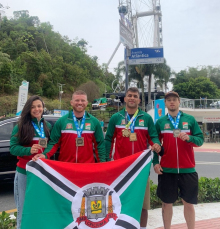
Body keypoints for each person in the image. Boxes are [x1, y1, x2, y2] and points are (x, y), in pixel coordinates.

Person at [105, 87, 161, 229]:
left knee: (142, 206)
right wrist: (105, 162)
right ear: (125, 99)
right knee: (119, 203)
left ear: (139, 100)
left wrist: (156, 145)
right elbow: (108, 140)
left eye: (135, 96)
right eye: (129, 95)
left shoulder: (146, 118)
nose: (132, 98)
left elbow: (153, 137)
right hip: (120, 169)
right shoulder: (116, 118)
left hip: (141, 170)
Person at [153, 91, 204, 229]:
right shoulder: (160, 122)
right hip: (167, 170)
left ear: (179, 101)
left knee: (188, 203)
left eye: (174, 99)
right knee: (166, 203)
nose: (172, 102)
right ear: (165, 104)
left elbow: (200, 140)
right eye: (169, 100)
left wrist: (190, 138)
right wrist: (155, 162)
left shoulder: (190, 119)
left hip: (188, 169)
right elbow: (155, 144)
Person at [10, 95, 52, 229]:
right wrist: (29, 150)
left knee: (39, 208)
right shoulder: (21, 126)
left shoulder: (47, 126)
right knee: (23, 209)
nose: (36, 109)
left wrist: (45, 155)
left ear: (43, 108)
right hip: (24, 174)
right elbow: (13, 148)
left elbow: (51, 147)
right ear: (28, 109)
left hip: (41, 174)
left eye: (39, 106)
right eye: (33, 107)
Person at [33, 90, 105, 163]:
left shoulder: (94, 122)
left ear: (86, 103)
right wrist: (45, 155)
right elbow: (54, 143)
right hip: (66, 166)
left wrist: (102, 163)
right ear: (71, 102)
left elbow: (100, 145)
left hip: (86, 167)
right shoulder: (61, 121)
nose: (80, 103)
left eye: (82, 100)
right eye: (77, 100)